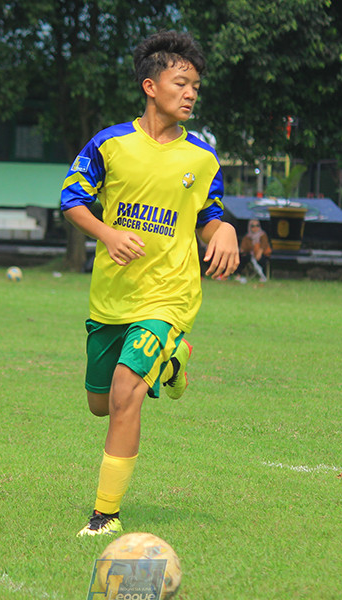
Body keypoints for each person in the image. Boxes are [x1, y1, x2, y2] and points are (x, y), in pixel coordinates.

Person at [60, 30, 239, 537]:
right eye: (181, 83)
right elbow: (72, 198)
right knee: (99, 404)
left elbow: (210, 216)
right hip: (112, 300)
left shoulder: (203, 159)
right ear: (150, 85)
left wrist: (223, 230)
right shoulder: (110, 143)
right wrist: (107, 233)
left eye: (196, 87)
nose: (191, 93)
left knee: (125, 395)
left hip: (169, 297)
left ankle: (105, 514)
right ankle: (175, 357)